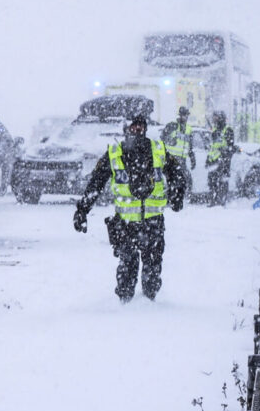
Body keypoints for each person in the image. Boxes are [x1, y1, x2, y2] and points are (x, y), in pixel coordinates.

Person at [73, 114, 186, 303]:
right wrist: (82, 210)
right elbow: (96, 184)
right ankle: (125, 309)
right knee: (127, 268)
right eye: (133, 127)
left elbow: (177, 175)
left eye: (140, 126)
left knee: (153, 270)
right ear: (125, 129)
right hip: (125, 224)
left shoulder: (158, 150)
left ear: (146, 128)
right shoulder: (114, 152)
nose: (137, 130)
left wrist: (177, 195)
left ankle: (151, 306)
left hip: (153, 222)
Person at [205, 110, 237, 206]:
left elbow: (231, 147)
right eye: (214, 117)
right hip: (213, 160)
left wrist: (225, 155)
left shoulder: (228, 130)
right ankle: (213, 200)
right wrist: (208, 158)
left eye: (216, 117)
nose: (214, 120)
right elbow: (212, 146)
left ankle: (221, 200)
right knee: (212, 181)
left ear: (221, 118)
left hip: (223, 161)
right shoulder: (214, 131)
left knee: (223, 181)